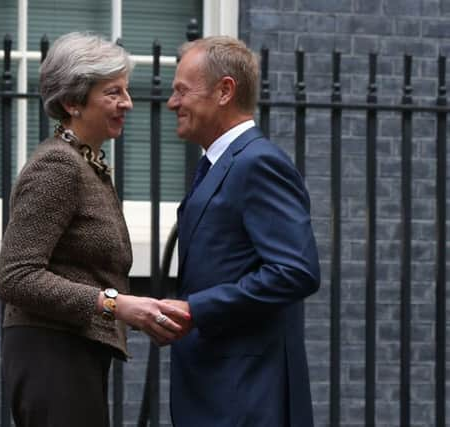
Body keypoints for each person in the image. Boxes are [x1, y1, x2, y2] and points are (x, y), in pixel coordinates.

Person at [0, 32, 190, 427]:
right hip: (52, 353)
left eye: (126, 90)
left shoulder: (86, 165)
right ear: (72, 102)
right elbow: (15, 277)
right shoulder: (58, 167)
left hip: (73, 350)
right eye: (113, 92)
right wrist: (116, 303)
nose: (128, 104)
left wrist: (138, 309)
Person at [162, 36, 321, 427]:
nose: (172, 103)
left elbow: (296, 271)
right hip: (218, 391)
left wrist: (197, 309)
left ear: (224, 91)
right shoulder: (222, 164)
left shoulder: (258, 163)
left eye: (182, 90)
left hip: (245, 397)